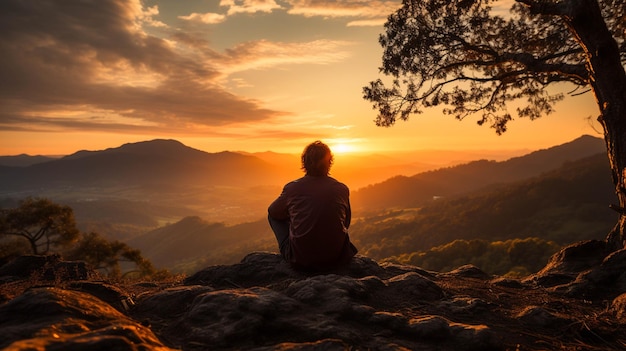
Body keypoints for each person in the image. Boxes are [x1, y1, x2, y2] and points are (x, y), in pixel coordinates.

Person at [268, 141, 358, 272]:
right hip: (336, 258)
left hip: (300, 260)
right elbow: (346, 222)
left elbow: (273, 212)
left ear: (304, 162)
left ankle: (295, 248)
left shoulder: (292, 188)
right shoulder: (341, 189)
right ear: (329, 162)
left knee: (273, 217)